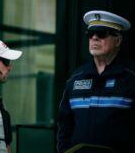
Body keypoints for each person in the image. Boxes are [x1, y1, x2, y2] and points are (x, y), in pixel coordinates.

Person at [57, 10, 135, 153]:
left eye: (101, 33)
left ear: (118, 40)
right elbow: (65, 125)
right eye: (90, 34)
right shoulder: (76, 78)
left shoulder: (131, 77)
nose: (94, 38)